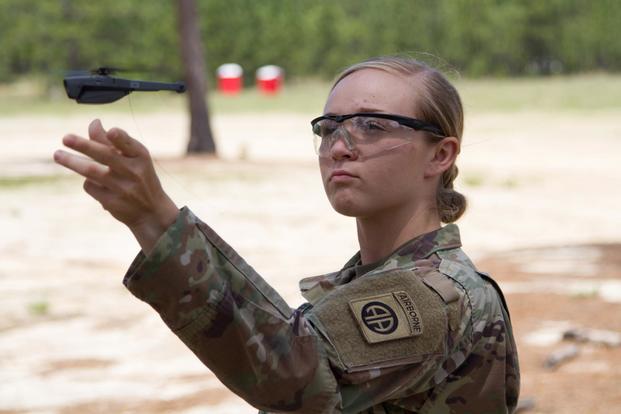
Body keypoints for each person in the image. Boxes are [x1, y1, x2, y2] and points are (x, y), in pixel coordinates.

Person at [53, 56, 520, 413]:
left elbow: (291, 372)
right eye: (329, 128)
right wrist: (151, 222)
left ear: (440, 155)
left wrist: (158, 220)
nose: (340, 147)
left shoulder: (438, 294)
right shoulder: (378, 278)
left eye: (372, 126)